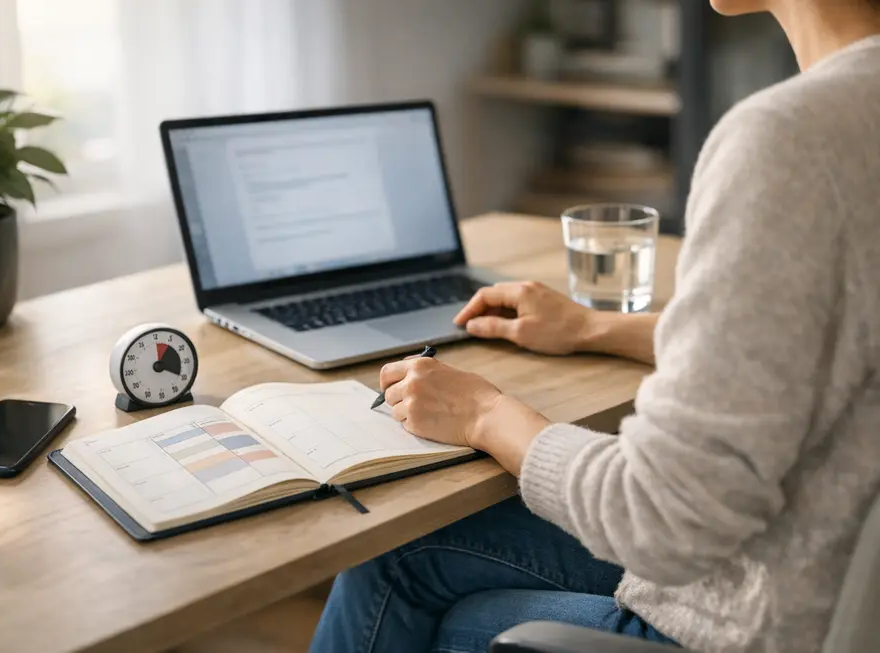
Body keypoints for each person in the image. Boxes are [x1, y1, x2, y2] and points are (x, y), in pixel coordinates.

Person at [309, 0, 880, 652]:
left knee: (400, 570)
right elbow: (824, 343)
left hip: (754, 615)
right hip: (821, 578)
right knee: (405, 549)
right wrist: (593, 328)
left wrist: (484, 413)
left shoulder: (792, 140)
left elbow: (661, 516)